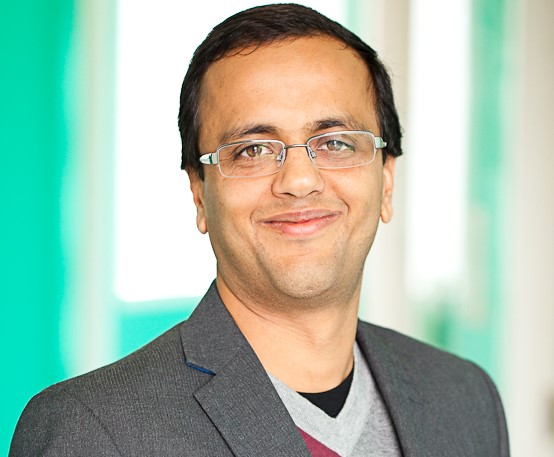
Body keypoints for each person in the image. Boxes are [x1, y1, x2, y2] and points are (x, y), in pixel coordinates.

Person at [10, 4, 509, 456]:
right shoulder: (92, 431)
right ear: (199, 194)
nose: (298, 181)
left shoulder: (465, 399)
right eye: (251, 150)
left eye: (335, 143)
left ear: (385, 181)